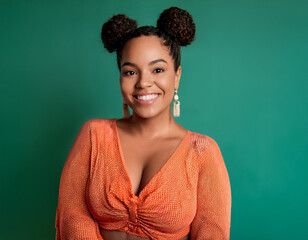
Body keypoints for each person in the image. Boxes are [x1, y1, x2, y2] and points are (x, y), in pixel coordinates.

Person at [55, 7, 231, 240]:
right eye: (130, 72)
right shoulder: (93, 135)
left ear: (177, 76)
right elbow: (71, 215)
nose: (144, 83)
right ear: (120, 76)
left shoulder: (202, 152)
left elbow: (212, 233)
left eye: (157, 69)